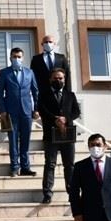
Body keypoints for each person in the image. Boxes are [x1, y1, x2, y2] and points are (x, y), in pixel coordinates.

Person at [38, 68, 81, 203]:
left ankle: (72, 192)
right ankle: (47, 193)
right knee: (50, 164)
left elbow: (76, 112)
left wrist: (66, 119)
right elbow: (42, 110)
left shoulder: (70, 95)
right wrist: (55, 119)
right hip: (50, 135)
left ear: (64, 79)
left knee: (69, 165)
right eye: (55, 78)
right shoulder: (44, 95)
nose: (58, 80)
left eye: (60, 78)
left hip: (67, 135)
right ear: (50, 79)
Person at [0, 48, 39, 177]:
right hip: (11, 112)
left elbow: (35, 92)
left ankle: (25, 167)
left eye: (19, 56)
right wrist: (2, 110)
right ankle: (14, 167)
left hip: (26, 111)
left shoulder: (29, 72)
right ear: (10, 58)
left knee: (25, 140)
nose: (17, 59)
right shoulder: (4, 73)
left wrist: (36, 109)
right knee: (13, 140)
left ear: (23, 58)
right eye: (14, 56)